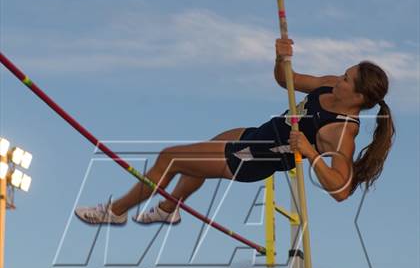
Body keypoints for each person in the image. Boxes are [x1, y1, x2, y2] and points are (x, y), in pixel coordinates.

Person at [75, 38, 395, 226]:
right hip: (257, 135)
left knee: (171, 158)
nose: (338, 78)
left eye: (346, 79)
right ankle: (169, 210)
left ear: (358, 98)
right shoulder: (330, 85)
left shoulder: (340, 134)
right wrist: (280, 58)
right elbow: (286, 80)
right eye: (344, 73)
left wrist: (310, 153)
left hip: (252, 159)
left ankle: (115, 212)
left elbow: (340, 191)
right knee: (202, 151)